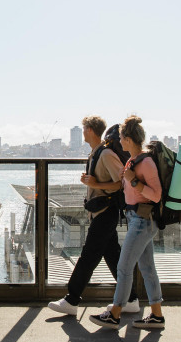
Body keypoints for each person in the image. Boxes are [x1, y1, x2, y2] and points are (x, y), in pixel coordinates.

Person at [48, 115, 141, 318]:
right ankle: (131, 299)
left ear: (90, 130)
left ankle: (71, 299)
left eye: (84, 129)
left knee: (88, 257)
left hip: (106, 212)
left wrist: (95, 184)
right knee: (113, 256)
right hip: (100, 211)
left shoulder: (106, 153)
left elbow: (121, 182)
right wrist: (91, 182)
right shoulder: (95, 153)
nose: (82, 133)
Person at [89, 116, 165, 330]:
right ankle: (157, 315)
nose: (118, 141)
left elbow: (156, 196)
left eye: (121, 137)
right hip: (136, 220)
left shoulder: (146, 163)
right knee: (148, 268)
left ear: (129, 139)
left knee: (123, 267)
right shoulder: (132, 161)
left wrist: (132, 180)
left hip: (143, 221)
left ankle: (114, 314)